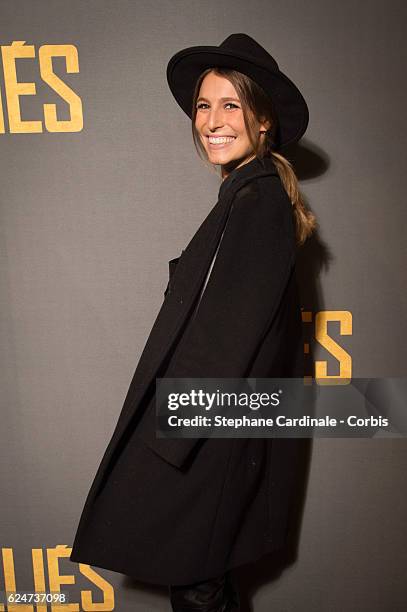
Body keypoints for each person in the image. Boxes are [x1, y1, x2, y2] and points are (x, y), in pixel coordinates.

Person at [70, 33, 316, 611]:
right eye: (204, 106)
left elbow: (227, 335)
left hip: (206, 434)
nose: (212, 120)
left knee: (200, 585)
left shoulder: (257, 203)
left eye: (231, 105)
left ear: (263, 122)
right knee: (202, 583)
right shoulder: (246, 195)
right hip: (211, 428)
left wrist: (166, 437)